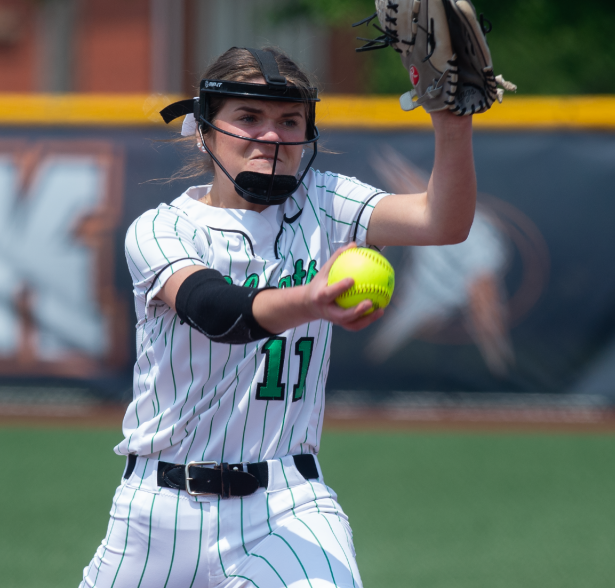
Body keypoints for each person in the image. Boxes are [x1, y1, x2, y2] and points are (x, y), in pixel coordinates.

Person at [79, 46, 476, 588]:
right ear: (203, 130)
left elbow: (442, 221)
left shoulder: (326, 201)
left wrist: (452, 123)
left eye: (290, 121)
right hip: (158, 514)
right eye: (248, 117)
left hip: (288, 507)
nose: (272, 136)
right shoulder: (161, 230)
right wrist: (311, 300)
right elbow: (219, 312)